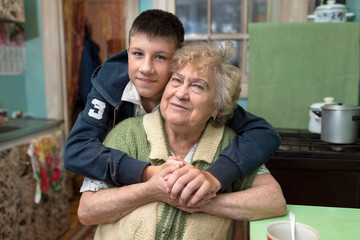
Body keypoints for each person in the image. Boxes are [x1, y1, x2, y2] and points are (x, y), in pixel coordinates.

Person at [64, 9, 281, 204]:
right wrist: (146, 173)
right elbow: (76, 151)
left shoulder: (186, 96)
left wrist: (215, 176)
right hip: (123, 190)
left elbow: (264, 134)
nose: (146, 68)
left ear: (177, 59)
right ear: (128, 52)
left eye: (160, 57)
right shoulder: (108, 86)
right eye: (138, 54)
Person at [77, 41, 286, 240]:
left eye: (198, 86)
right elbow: (87, 211)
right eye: (176, 80)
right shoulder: (127, 134)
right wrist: (151, 191)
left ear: (216, 107)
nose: (181, 93)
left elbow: (274, 201)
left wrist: (201, 199)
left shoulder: (230, 145)